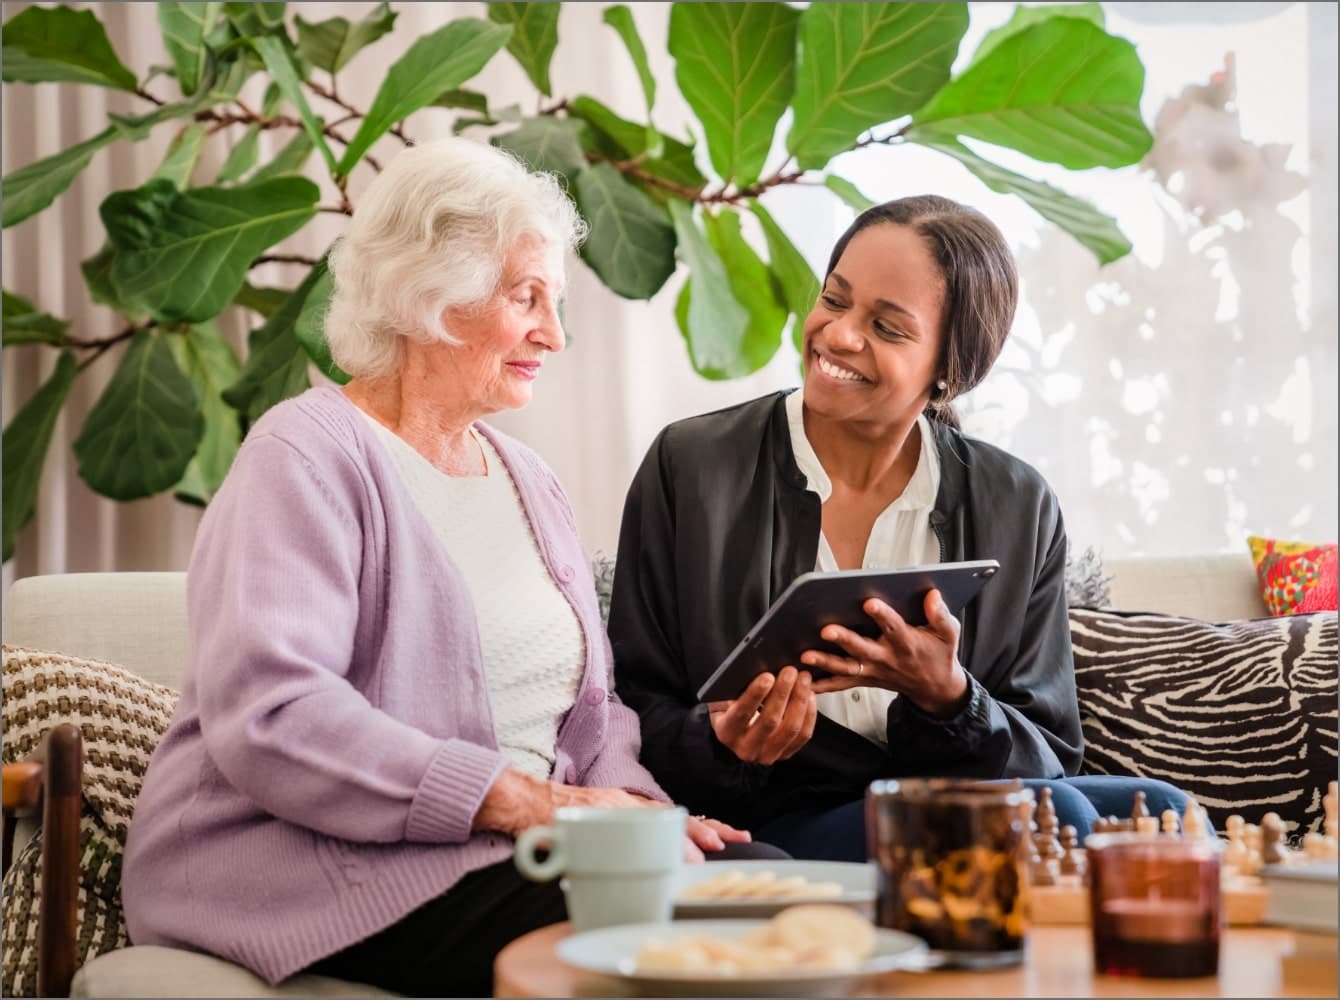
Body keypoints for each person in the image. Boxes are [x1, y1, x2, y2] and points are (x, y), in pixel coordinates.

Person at [122, 138, 780, 999]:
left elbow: (591, 718)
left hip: (517, 848)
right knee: (665, 939)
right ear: (432, 297)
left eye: (557, 300)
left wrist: (642, 815)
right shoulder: (304, 455)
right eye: (526, 297)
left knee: (776, 887)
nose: (554, 332)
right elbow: (276, 713)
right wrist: (529, 803)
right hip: (319, 862)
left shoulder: (527, 479)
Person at [608, 195, 1192, 863]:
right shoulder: (692, 466)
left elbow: (1051, 749)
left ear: (950, 367)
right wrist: (723, 741)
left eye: (886, 328)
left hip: (955, 794)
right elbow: (627, 702)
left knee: (1167, 813)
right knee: (1055, 814)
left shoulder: (1016, 501)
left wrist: (947, 697)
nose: (838, 335)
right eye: (835, 300)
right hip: (774, 813)